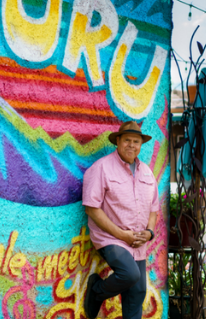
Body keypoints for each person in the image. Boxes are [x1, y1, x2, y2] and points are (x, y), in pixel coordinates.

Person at [82, 121, 158, 319]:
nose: (131, 145)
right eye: (127, 140)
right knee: (130, 274)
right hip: (111, 239)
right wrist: (122, 235)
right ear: (118, 141)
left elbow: (153, 209)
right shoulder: (102, 168)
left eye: (136, 141)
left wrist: (149, 232)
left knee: (138, 291)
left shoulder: (147, 173)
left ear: (141, 145)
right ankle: (97, 290)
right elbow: (91, 208)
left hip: (138, 242)